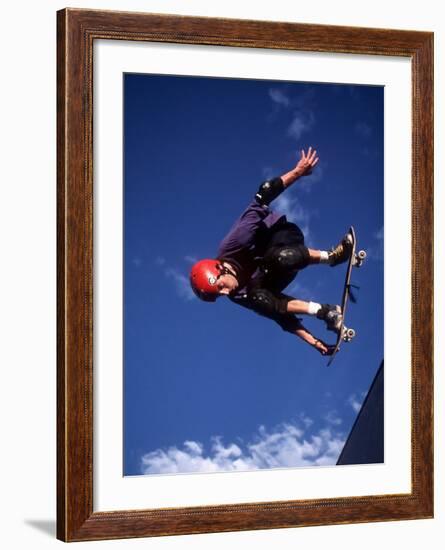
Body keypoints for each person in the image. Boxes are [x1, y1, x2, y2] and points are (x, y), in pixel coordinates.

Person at [189, 147, 352, 356]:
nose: (226, 293)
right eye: (220, 295)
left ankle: (332, 257)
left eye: (220, 287)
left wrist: (298, 171)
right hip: (273, 276)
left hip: (283, 240)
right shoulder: (238, 295)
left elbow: (263, 196)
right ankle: (326, 312)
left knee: (278, 258)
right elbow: (280, 315)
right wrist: (314, 342)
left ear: (220, 268)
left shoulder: (233, 243)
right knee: (260, 300)